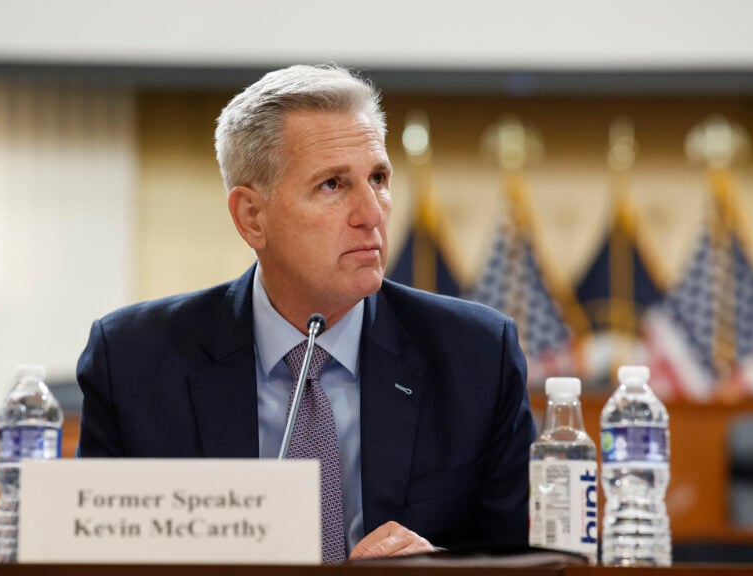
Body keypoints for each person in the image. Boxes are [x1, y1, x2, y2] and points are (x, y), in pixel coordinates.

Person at [77, 63, 536, 562]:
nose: (372, 213)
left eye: (378, 178)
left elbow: (530, 558)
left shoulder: (476, 355)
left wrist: (442, 570)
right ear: (251, 216)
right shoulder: (132, 362)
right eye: (333, 185)